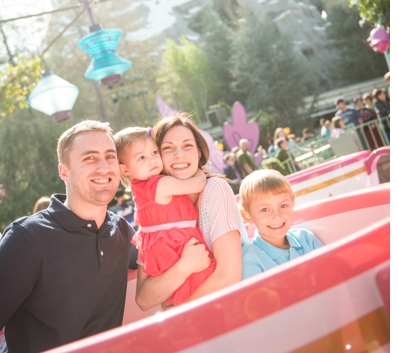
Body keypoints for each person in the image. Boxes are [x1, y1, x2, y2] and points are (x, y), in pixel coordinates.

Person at [0, 120, 138, 353]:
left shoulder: (122, 230)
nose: (103, 166)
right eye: (89, 158)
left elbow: (158, 260)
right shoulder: (28, 236)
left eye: (109, 156)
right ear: (64, 171)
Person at [135, 114, 249, 311]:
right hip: (196, 325)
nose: (179, 154)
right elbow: (144, 299)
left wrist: (176, 314)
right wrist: (184, 266)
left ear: (198, 153)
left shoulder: (215, 190)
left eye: (187, 146)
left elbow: (228, 277)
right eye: (167, 148)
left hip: (235, 308)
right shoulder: (154, 209)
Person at [114, 127, 215, 306]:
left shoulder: (142, 188)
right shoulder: (158, 184)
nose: (152, 159)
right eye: (141, 157)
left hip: (163, 247)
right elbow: (198, 184)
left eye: (154, 152)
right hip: (175, 245)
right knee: (198, 286)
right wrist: (199, 170)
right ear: (125, 169)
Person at [240, 170, 324, 279]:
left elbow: (333, 274)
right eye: (265, 209)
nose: (277, 216)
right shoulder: (250, 259)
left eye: (283, 206)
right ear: (248, 216)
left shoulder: (307, 239)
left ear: (292, 203)